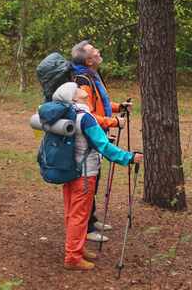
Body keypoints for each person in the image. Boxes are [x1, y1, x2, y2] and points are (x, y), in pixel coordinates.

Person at [51, 83, 143, 270]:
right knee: (79, 214)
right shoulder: (86, 117)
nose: (80, 89)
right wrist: (129, 157)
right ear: (74, 98)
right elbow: (104, 147)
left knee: (72, 212)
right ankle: (73, 258)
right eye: (76, 89)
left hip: (70, 169)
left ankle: (76, 248)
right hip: (85, 174)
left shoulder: (70, 114)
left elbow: (84, 139)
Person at [71, 40, 133, 242]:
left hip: (98, 133)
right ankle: (86, 228)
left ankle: (92, 218)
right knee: (88, 182)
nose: (99, 52)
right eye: (94, 51)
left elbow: (100, 103)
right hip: (91, 137)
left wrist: (118, 107)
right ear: (89, 61)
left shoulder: (92, 76)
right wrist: (114, 122)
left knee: (94, 179)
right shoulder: (83, 81)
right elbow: (87, 112)